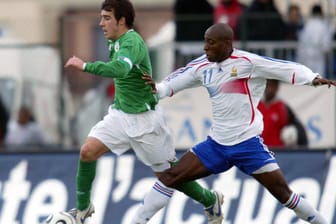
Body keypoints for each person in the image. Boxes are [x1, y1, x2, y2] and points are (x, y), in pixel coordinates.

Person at [142, 23, 335, 223]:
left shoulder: (248, 62)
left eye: (211, 42)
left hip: (248, 144)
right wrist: (158, 89)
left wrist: (313, 78)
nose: (205, 47)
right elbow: (176, 80)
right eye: (205, 42)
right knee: (169, 177)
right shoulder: (202, 65)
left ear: (227, 44)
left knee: (284, 194)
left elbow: (284, 67)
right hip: (216, 144)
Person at [63, 1, 223, 224]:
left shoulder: (132, 43)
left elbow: (120, 69)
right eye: (101, 18)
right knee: (87, 151)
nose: (101, 23)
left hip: (146, 122)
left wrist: (86, 66)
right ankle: (81, 211)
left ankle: (209, 199)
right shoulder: (115, 41)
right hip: (120, 115)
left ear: (122, 21)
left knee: (169, 176)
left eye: (107, 18)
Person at [257, 79, 308, 148]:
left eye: (273, 85)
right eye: (268, 85)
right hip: (258, 151)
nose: (270, 89)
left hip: (278, 152)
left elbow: (300, 130)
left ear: (277, 87)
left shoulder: (283, 108)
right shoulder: (256, 105)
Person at [297, 4, 332, 76]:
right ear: (321, 13)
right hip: (319, 56)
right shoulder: (324, 25)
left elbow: (301, 41)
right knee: (319, 78)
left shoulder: (307, 25)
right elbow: (326, 45)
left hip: (306, 56)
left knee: (308, 78)